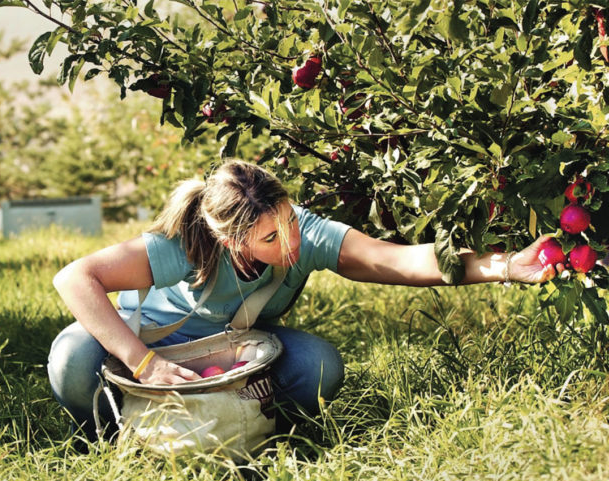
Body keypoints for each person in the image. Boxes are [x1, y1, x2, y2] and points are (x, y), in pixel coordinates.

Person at [48, 159, 558, 440]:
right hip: (160, 348)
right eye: (269, 239)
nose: (289, 243)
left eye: (288, 222)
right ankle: (107, 432)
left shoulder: (305, 235)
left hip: (239, 351)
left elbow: (403, 261)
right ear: (230, 240)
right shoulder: (187, 243)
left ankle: (243, 432)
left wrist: (506, 266)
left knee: (320, 367)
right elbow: (75, 278)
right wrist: (146, 364)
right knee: (72, 357)